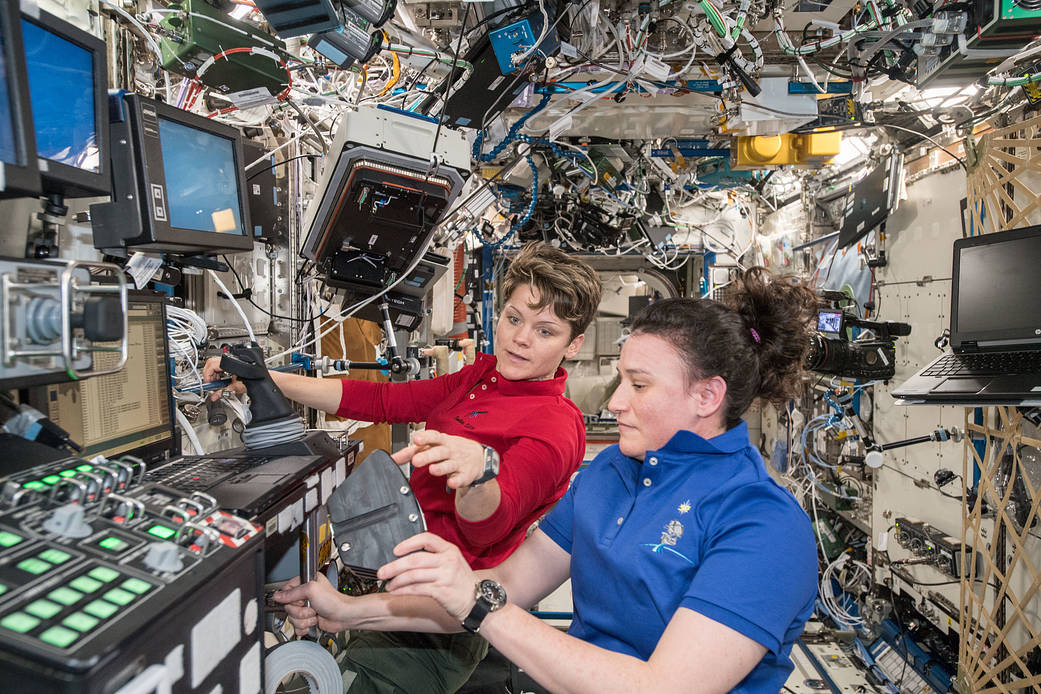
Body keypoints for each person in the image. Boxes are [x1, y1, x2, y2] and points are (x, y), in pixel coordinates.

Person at [273, 267, 821, 694]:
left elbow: (665, 686)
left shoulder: (764, 525)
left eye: (639, 385)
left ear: (707, 396)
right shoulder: (612, 475)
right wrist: (347, 611)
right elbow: (507, 583)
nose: (617, 402)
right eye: (620, 380)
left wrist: (476, 601)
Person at [204, 242, 603, 694]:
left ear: (574, 344)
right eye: (514, 319)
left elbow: (490, 526)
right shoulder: (482, 376)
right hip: (385, 583)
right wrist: (265, 379)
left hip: (435, 626)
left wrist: (480, 472)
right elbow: (382, 401)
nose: (521, 338)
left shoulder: (556, 426)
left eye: (545, 330)